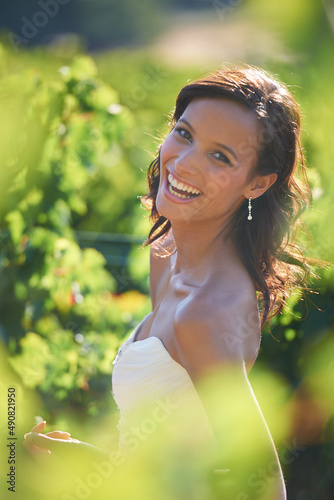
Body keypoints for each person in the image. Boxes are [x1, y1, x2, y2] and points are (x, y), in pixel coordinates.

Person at [24, 65, 315, 499]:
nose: (183, 162)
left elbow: (264, 487)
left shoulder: (204, 314)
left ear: (258, 184)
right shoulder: (167, 254)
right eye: (184, 134)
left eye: (220, 156)